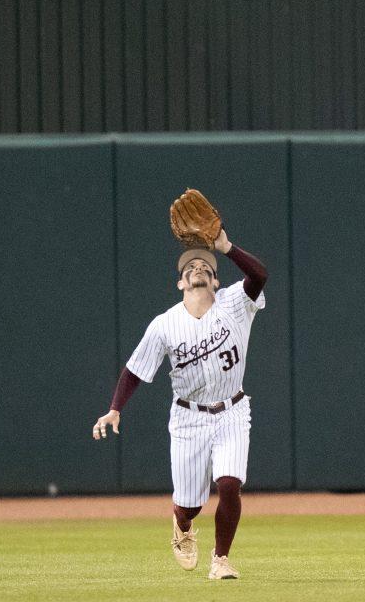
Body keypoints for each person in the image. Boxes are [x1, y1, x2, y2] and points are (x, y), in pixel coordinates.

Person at [92, 227, 267, 580]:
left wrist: (226, 247)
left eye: (205, 266)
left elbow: (260, 274)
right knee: (190, 504)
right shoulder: (164, 325)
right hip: (189, 418)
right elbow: (135, 370)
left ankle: (221, 560)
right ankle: (182, 524)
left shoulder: (235, 303)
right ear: (180, 284)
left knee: (229, 483)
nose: (197, 268)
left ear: (217, 282)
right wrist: (115, 408)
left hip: (232, 409)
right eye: (190, 268)